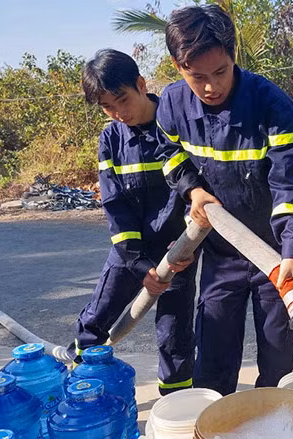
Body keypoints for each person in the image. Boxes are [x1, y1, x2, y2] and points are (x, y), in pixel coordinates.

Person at [155, 5, 293, 395]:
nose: (211, 87)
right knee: (213, 358)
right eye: (197, 77)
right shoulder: (172, 105)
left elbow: (292, 183)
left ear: (234, 56)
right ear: (178, 67)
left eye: (220, 72)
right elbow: (169, 154)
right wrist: (193, 190)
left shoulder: (272, 105)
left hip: (274, 256)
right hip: (221, 255)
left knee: (281, 363)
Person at [68, 49, 196, 396]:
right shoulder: (111, 140)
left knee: (175, 336)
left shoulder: (175, 126)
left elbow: (196, 189)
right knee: (97, 318)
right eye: (107, 108)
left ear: (141, 85)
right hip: (130, 253)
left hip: (178, 253)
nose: (117, 113)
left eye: (122, 100)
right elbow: (115, 205)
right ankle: (82, 391)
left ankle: (176, 405)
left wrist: (187, 244)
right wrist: (139, 265)